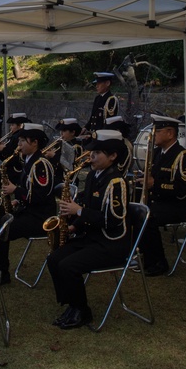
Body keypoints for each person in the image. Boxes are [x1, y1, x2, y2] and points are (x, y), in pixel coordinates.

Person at [46, 129, 130, 329]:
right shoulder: (94, 175)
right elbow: (87, 203)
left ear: (112, 156)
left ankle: (82, 311)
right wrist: (74, 224)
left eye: (97, 152)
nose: (91, 156)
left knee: (68, 266)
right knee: (54, 258)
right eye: (91, 151)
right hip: (92, 238)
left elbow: (113, 220)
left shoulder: (117, 182)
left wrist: (79, 211)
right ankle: (72, 305)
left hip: (111, 243)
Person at [0, 123, 57, 283]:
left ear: (34, 142)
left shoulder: (41, 164)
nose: (18, 145)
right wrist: (17, 200)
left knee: (1, 230)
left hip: (40, 218)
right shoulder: (29, 160)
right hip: (29, 212)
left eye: (22, 141)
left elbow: (39, 196)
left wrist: (16, 190)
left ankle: (2, 273)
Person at [138, 115, 186, 276]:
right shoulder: (158, 152)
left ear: (170, 133)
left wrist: (154, 184)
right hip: (159, 202)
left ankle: (159, 262)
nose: (153, 134)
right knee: (136, 212)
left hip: (179, 206)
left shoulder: (183, 156)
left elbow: (182, 190)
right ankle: (145, 257)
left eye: (157, 131)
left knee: (148, 217)